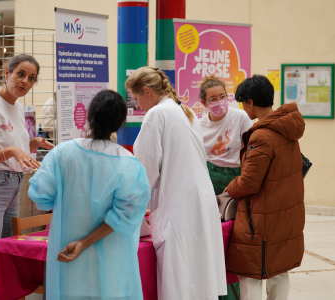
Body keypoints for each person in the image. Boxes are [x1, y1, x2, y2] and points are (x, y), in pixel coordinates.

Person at [28, 89, 151, 300]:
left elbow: (41, 196)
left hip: (67, 254)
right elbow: (126, 216)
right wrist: (85, 242)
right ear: (121, 123)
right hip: (112, 259)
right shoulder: (129, 164)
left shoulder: (61, 153)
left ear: (88, 116)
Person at [127, 66, 228, 300]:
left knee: (181, 276)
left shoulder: (157, 114)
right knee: (198, 274)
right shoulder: (183, 111)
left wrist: (132, 204)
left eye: (135, 98)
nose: (137, 105)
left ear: (146, 91)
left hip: (180, 203)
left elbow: (145, 170)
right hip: (199, 199)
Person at [0, 54, 54, 300]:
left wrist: (30, 144)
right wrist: (13, 150)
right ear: (6, 73)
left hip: (12, 186)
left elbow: (8, 149)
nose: (25, 81)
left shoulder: (16, 106)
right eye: (20, 74)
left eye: (31, 78)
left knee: (5, 263)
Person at [224, 75, 305, 300]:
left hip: (261, 217)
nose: (242, 107)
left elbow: (249, 182)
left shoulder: (261, 136)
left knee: (250, 274)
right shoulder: (287, 129)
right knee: (279, 270)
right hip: (285, 212)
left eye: (242, 101)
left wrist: (228, 189)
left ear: (250, 101)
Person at [199, 75, 253, 196]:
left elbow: (252, 148)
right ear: (204, 102)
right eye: (213, 99)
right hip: (210, 176)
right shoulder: (199, 125)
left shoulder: (241, 117)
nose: (219, 101)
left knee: (238, 214)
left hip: (237, 176)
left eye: (222, 96)